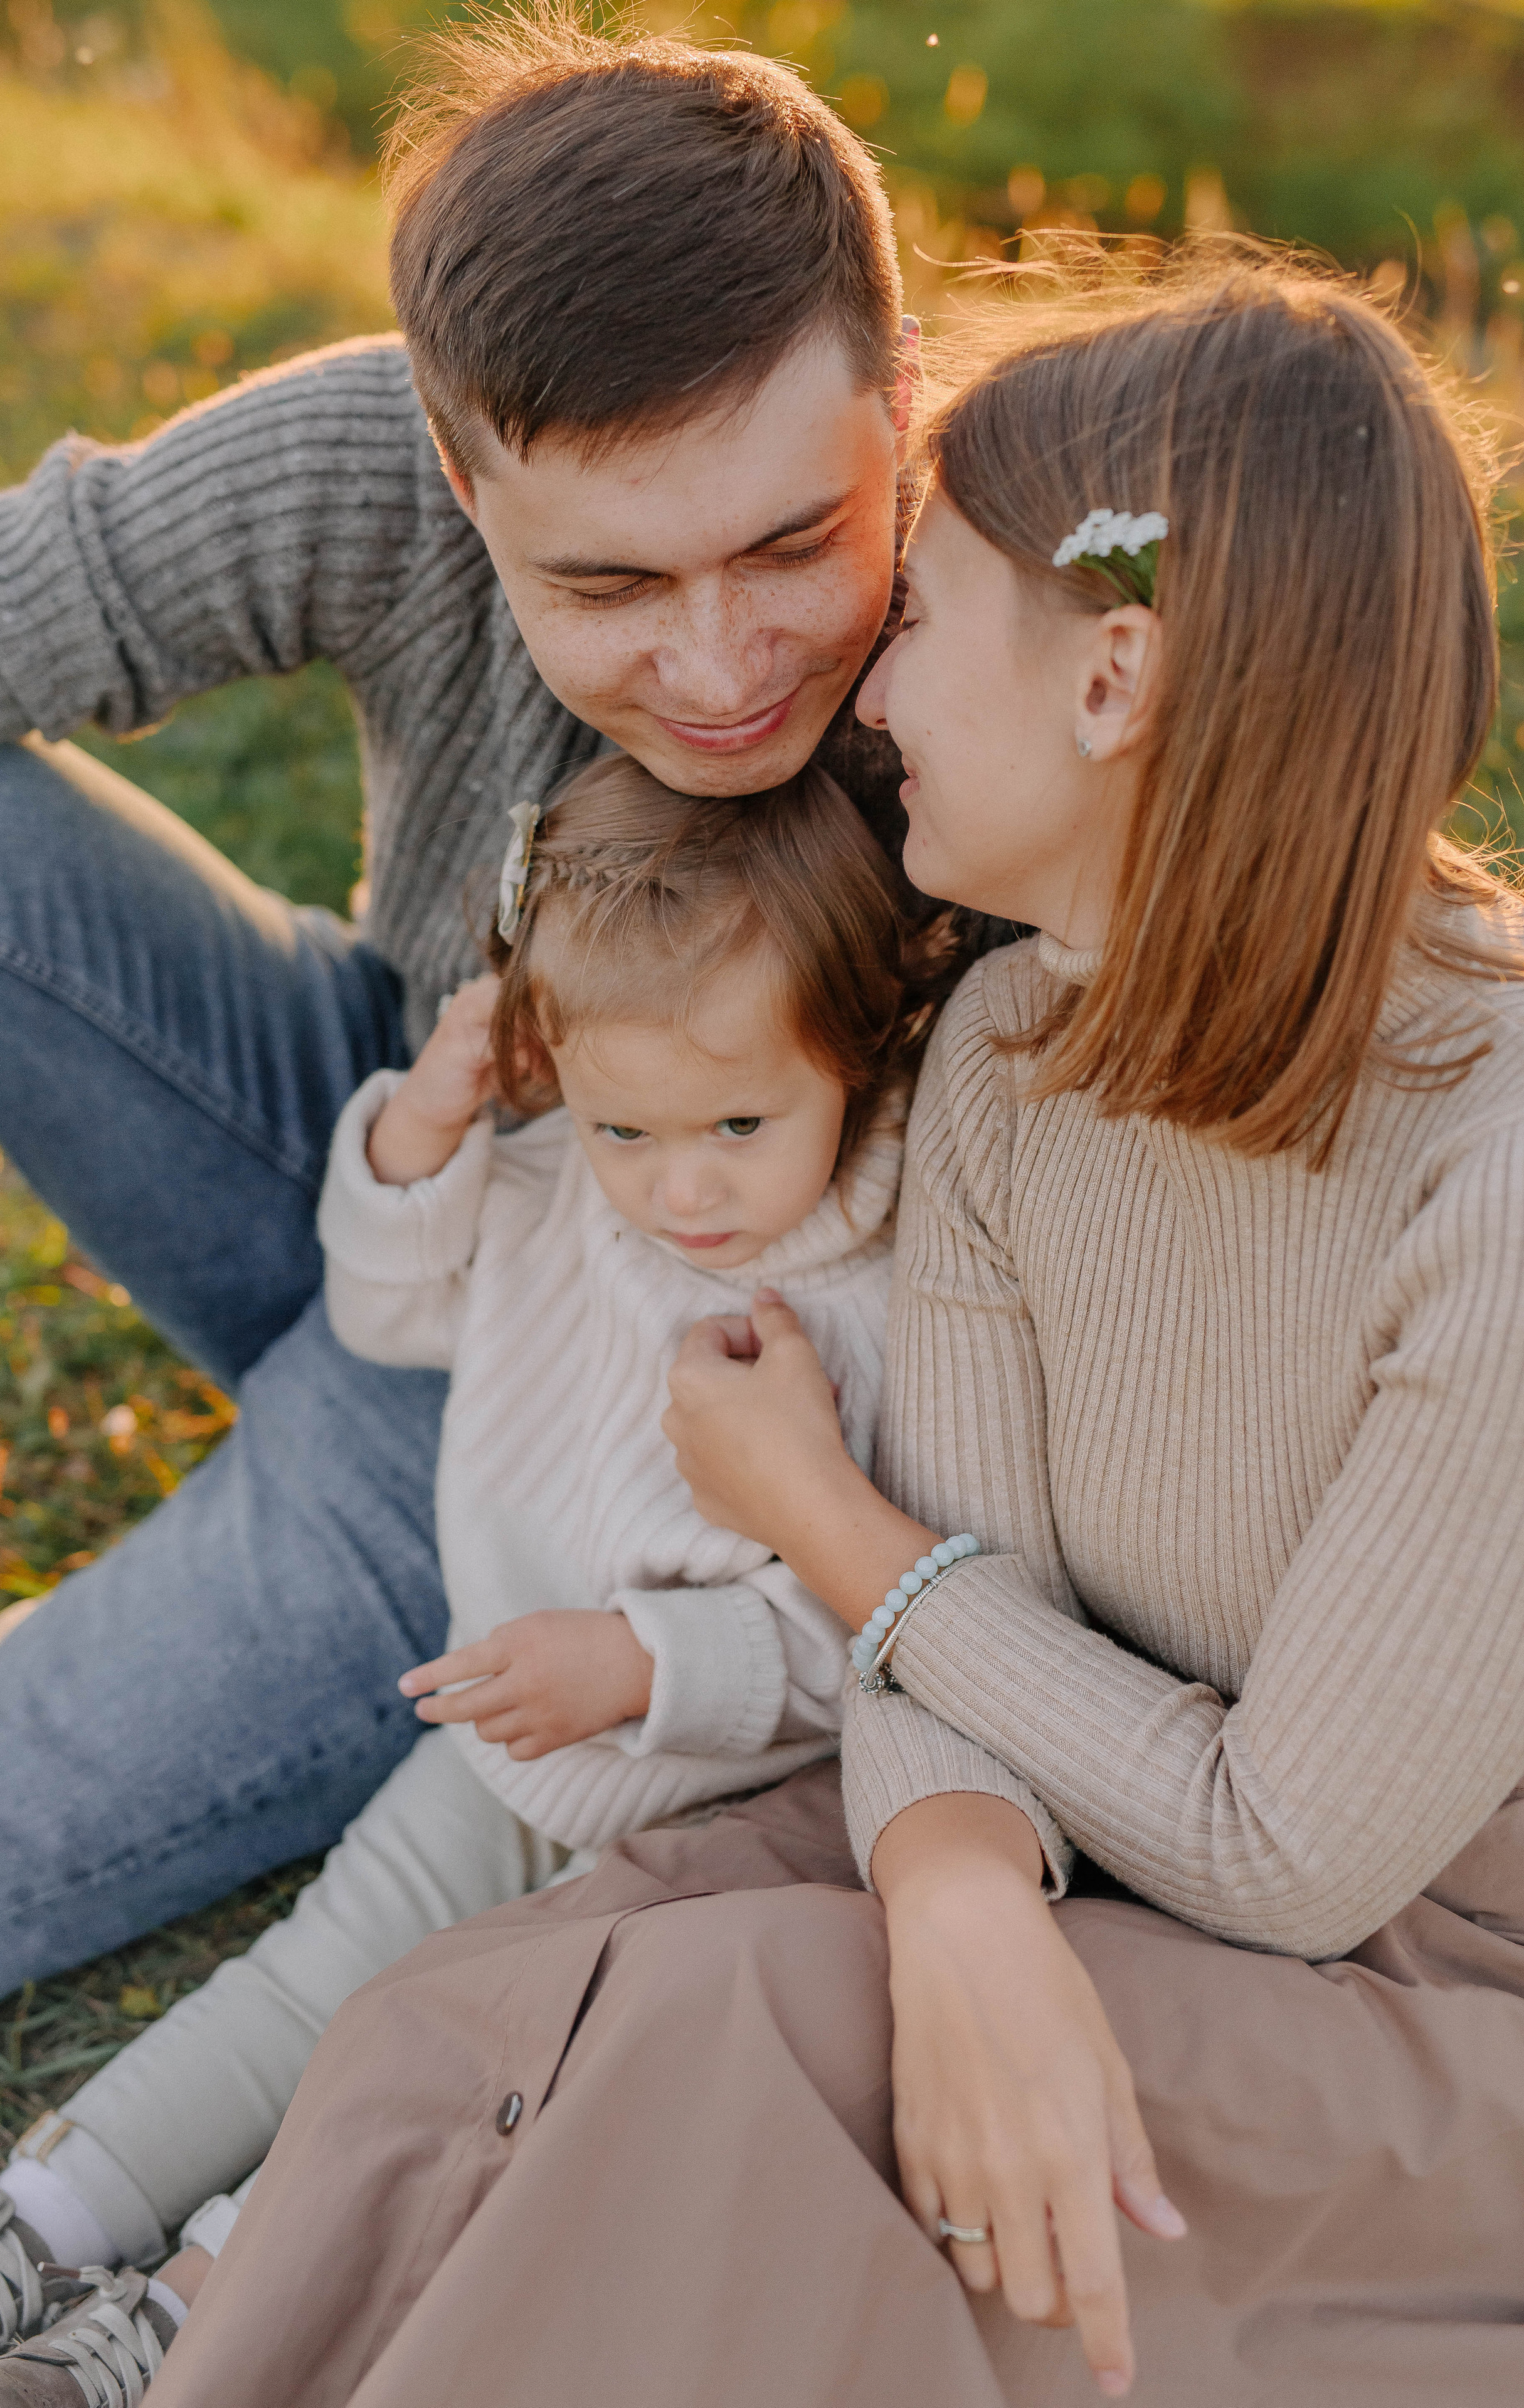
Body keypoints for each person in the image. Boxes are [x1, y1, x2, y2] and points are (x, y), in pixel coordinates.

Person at [133, 253, 1524, 2408]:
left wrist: (838, 1537)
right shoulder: (1013, 1043)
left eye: (918, 613)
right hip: (1100, 1808)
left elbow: (1279, 1844)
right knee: (521, 1972)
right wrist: (954, 1886)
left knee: (727, 2054)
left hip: (1465, 1977)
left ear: (1114, 681)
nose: (868, 689)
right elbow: (962, 1595)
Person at [0, 6, 942, 1999]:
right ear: (459, 470)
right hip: (376, 1117)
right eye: (607, 586)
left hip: (560, 1404)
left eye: (794, 544)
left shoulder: (1014, 640)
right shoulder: (377, 458)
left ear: (899, 398)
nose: (719, 668)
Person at [0, 754, 945, 2386]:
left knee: (443, 2065)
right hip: (509, 1740)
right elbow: (387, 1308)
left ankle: (177, 2324)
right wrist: (426, 1128)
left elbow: (877, 1615)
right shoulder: (560, 1187)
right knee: (306, 1976)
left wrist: (649, 1663)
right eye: (627, 1126)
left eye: (740, 1121)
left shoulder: (880, 1295)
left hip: (714, 1816)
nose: (683, 1186)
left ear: (851, 1058)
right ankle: (53, 2205)